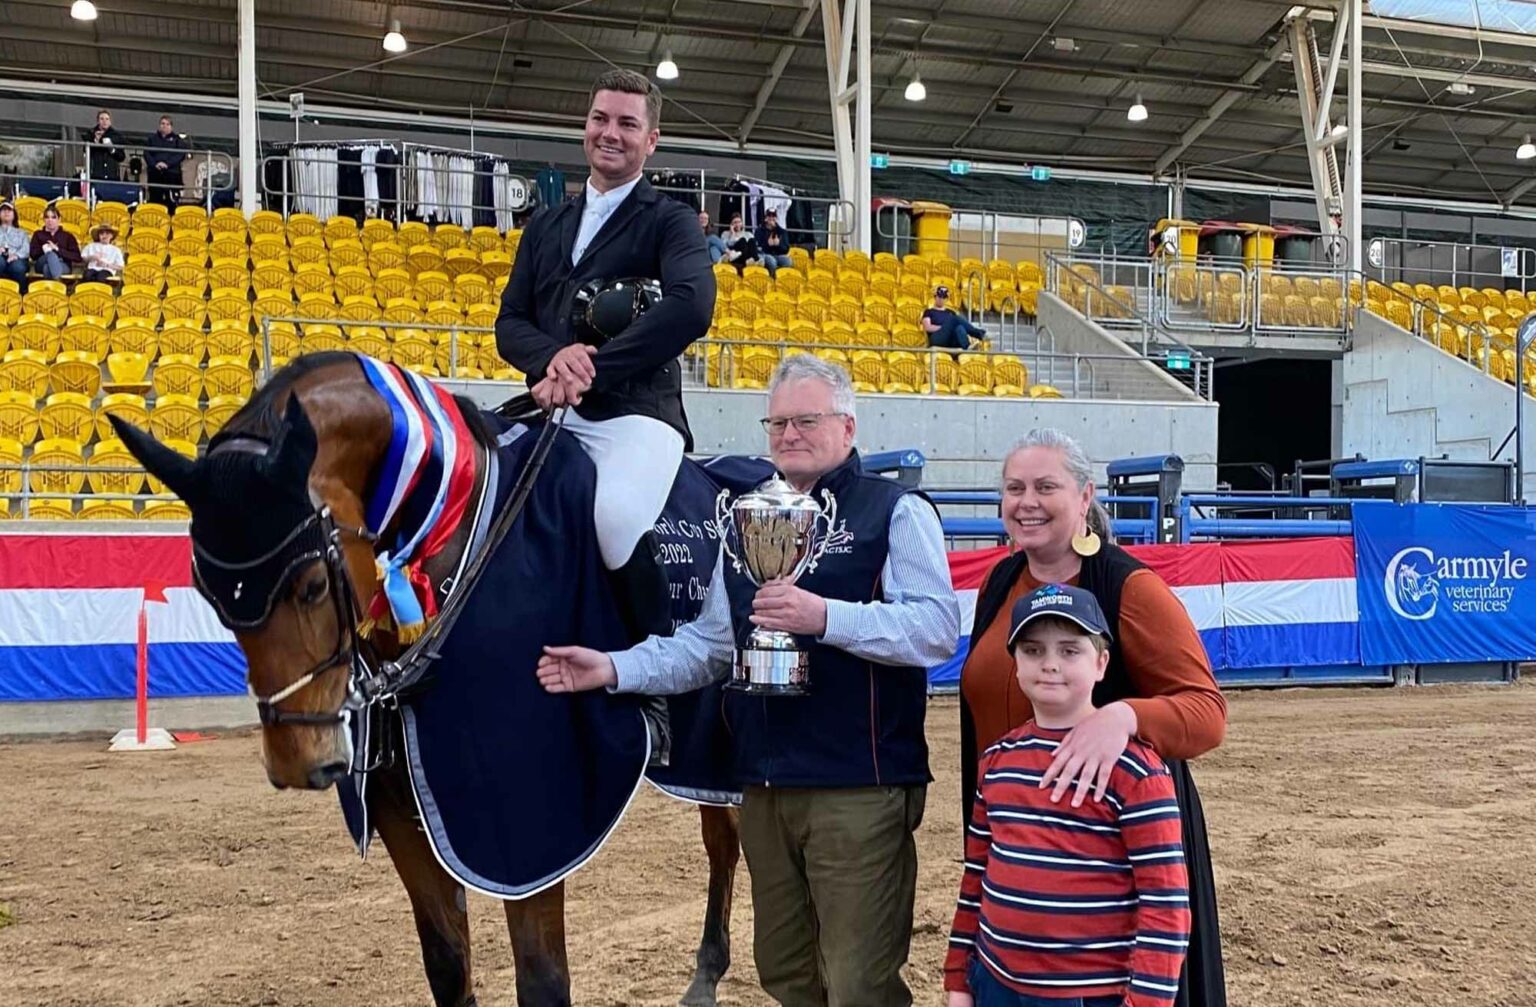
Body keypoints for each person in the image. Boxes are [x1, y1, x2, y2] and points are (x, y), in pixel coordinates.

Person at [536, 353, 960, 1007]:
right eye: (778, 422)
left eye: (806, 419)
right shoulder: (745, 521)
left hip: (860, 785)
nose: (789, 433)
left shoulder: (895, 511)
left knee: (858, 984)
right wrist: (614, 667)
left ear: (848, 426)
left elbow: (934, 628)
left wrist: (825, 617)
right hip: (761, 787)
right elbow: (707, 648)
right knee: (786, 974)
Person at [959, 427, 1228, 1007]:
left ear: (1084, 497)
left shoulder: (1129, 587)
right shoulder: (999, 582)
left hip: (1109, 876)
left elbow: (1207, 713)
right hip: (1017, 852)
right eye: (1014, 488)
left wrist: (1123, 716)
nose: (1026, 502)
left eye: (1046, 486)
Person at [495, 67, 714, 644]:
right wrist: (554, 360)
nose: (609, 132)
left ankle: (656, 666)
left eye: (626, 123)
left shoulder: (671, 222)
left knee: (615, 521)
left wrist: (589, 371)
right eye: (599, 119)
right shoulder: (544, 224)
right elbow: (509, 322)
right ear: (585, 126)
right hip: (550, 407)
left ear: (651, 140)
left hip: (637, 415)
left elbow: (693, 308)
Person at [945, 583, 1189, 1007]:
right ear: (1016, 665)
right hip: (994, 981)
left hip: (1089, 993)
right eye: (1033, 651)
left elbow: (1165, 901)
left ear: (1101, 663)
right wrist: (958, 979)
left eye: (1069, 651)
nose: (1050, 665)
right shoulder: (997, 760)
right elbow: (976, 877)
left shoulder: (1136, 770)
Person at [922, 285, 987, 353]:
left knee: (959, 327)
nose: (941, 299)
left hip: (951, 339)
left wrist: (950, 327)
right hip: (937, 338)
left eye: (944, 297)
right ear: (935, 297)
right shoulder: (928, 311)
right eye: (939, 296)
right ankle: (978, 333)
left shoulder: (951, 312)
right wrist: (945, 327)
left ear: (946, 299)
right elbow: (927, 327)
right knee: (954, 320)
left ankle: (967, 347)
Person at [145, 116, 188, 209]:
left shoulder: (177, 140)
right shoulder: (152, 139)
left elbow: (180, 155)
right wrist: (154, 164)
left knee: (171, 203)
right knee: (155, 203)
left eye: (167, 124)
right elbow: (147, 153)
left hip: (172, 176)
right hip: (155, 175)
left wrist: (167, 164)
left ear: (171, 127)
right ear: (159, 125)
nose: (164, 126)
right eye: (162, 124)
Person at [29, 206, 81, 281]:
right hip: (41, 263)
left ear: (59, 219)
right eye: (47, 217)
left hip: (63, 264)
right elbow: (33, 255)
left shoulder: (68, 236)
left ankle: (52, 289)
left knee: (47, 268)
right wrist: (43, 249)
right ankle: (57, 281)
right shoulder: (38, 234)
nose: (50, 220)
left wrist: (57, 249)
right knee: (50, 254)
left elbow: (77, 257)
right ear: (44, 220)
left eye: (53, 217)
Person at [84, 109, 126, 182]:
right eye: (102, 119)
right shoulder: (90, 134)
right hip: (95, 174)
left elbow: (121, 157)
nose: (104, 121)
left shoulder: (116, 136)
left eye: (107, 119)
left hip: (112, 175)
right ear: (98, 121)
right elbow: (85, 151)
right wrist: (95, 141)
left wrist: (112, 149)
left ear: (110, 121)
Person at [0, 202, 30, 293]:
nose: (6, 212)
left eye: (9, 210)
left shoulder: (22, 232)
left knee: (17, 267)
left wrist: (16, 255)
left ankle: (21, 293)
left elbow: (26, 250)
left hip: (17, 258)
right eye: (3, 210)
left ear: (14, 214)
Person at [754, 209, 793, 274]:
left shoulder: (782, 231)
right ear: (765, 218)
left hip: (778, 255)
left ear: (776, 218)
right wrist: (767, 244)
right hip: (765, 254)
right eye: (769, 216)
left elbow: (786, 249)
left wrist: (779, 244)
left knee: (788, 261)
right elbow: (758, 248)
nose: (771, 218)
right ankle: (772, 278)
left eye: (773, 216)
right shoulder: (759, 231)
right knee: (772, 261)